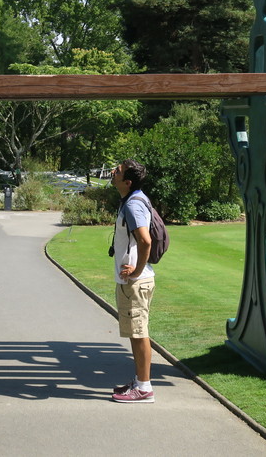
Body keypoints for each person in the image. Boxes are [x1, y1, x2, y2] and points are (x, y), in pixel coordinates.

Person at [109, 158, 155, 403]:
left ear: (127, 182)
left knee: (139, 334)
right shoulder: (132, 199)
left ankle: (144, 388)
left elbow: (146, 241)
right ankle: (139, 381)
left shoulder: (133, 205)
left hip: (135, 283)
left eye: (117, 171)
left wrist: (135, 272)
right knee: (136, 333)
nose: (113, 172)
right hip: (134, 282)